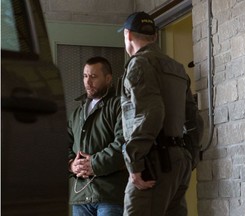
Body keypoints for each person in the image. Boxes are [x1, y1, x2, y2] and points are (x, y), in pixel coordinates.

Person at [120, 11, 196, 216]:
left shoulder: (140, 63)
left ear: (127, 35)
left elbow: (151, 112)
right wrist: (191, 157)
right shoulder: (178, 68)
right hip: (179, 161)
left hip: (153, 161)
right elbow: (194, 119)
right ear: (154, 36)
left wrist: (135, 162)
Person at [68, 56, 128, 216]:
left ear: (108, 79)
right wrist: (71, 164)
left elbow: (123, 144)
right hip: (80, 196)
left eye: (93, 77)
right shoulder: (76, 113)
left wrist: (94, 163)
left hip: (110, 194)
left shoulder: (119, 106)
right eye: (85, 76)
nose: (88, 82)